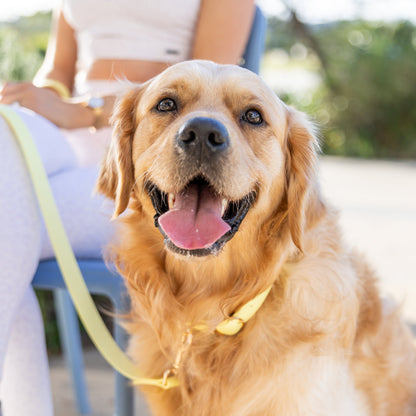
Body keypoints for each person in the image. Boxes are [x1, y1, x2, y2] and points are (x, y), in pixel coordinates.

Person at [0, 1, 255, 414]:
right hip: (68, 139)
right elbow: (57, 74)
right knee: (3, 134)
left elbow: (209, 87)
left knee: (5, 237)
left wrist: (86, 113)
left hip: (152, 159)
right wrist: (33, 99)